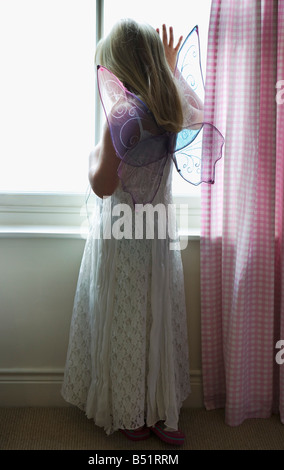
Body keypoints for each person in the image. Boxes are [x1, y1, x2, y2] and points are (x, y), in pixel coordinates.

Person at [61, 19, 203, 446]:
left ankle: (129, 412)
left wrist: (92, 155)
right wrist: (172, 69)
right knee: (158, 318)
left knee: (125, 321)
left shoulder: (121, 117)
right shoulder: (171, 108)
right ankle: (163, 410)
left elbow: (103, 184)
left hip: (122, 242)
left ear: (116, 71)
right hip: (158, 237)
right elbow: (198, 113)